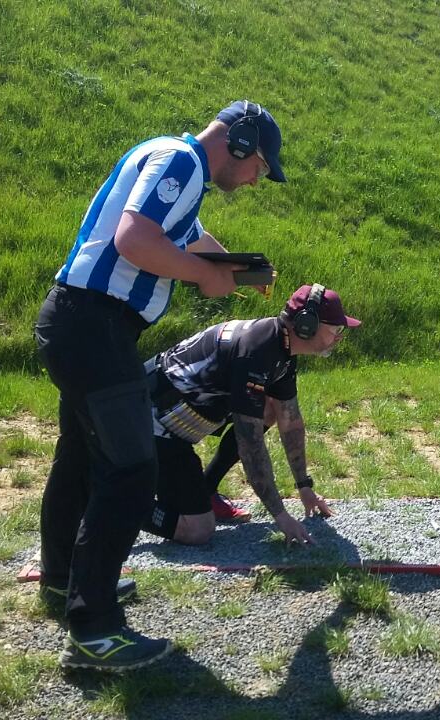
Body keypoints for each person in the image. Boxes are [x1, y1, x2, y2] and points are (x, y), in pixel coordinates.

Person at [33, 100, 286, 672]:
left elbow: (191, 238)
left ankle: (62, 581)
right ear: (240, 144)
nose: (253, 179)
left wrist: (237, 270)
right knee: (129, 471)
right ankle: (95, 632)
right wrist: (204, 277)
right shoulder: (182, 162)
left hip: (83, 325)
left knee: (79, 459)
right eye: (258, 167)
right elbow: (135, 239)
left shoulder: (176, 166)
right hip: (95, 327)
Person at [140, 283, 359, 546]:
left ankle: (206, 489)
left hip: (170, 421)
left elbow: (290, 422)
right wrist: (281, 515)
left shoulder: (280, 347)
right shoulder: (256, 353)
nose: (339, 337)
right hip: (146, 425)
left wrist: (305, 486)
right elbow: (250, 444)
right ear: (306, 325)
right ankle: (114, 502)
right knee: (197, 530)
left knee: (270, 409)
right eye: (336, 329)